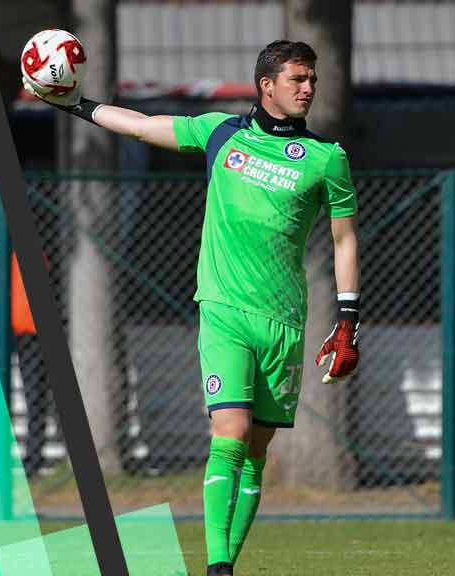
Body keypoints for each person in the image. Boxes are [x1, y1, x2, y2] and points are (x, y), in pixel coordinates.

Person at [24, 40, 361, 576]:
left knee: (256, 451)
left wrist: (348, 319)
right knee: (229, 431)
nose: (308, 88)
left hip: (285, 322)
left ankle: (229, 559)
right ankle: (217, 565)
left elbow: (344, 240)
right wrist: (74, 104)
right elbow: (139, 125)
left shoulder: (327, 157)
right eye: (297, 79)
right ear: (266, 85)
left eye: (313, 79)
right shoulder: (220, 133)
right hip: (224, 310)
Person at [0, 247, 48, 478]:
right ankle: (31, 459)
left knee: (2, 395)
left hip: (7, 325)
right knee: (32, 394)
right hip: (24, 325)